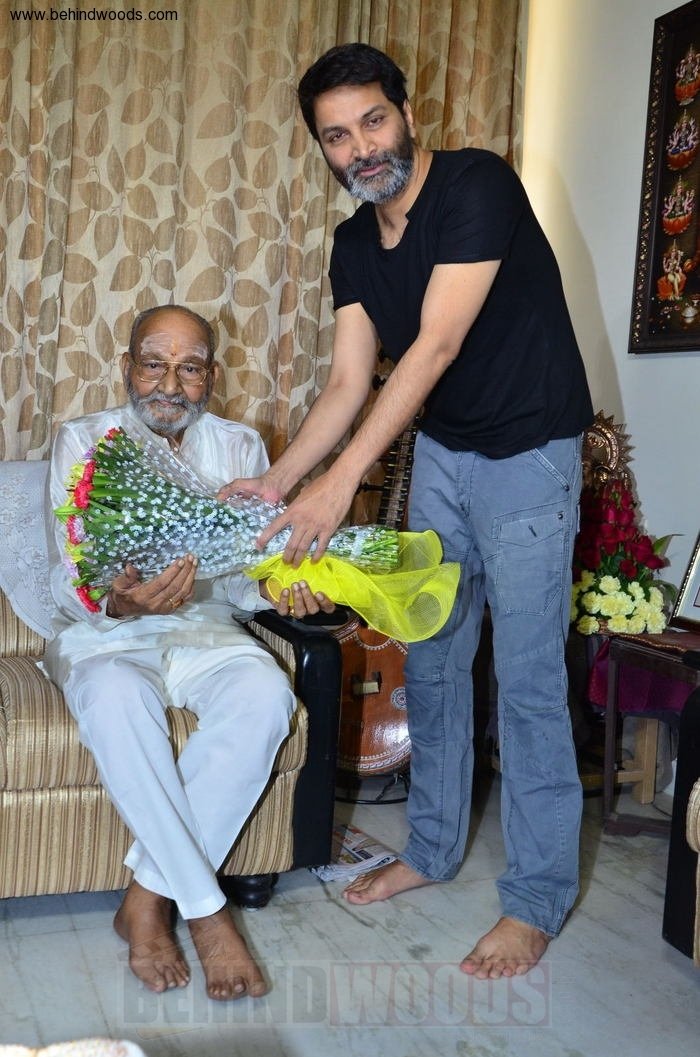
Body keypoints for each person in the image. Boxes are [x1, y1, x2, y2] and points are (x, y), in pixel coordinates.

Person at [219, 43, 594, 979]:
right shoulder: (353, 244)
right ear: (322, 147)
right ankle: (431, 848)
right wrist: (281, 479)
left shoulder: (477, 186)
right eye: (337, 137)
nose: (361, 149)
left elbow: (433, 347)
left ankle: (536, 899)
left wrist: (341, 481)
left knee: (527, 678)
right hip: (446, 454)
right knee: (431, 658)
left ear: (407, 113)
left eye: (373, 121)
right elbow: (349, 382)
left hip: (531, 450)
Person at [44, 304, 334, 1000]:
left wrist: (282, 588)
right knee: (114, 694)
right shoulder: (84, 439)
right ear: (127, 367)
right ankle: (207, 914)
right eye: (154, 363)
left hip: (206, 629)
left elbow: (244, 578)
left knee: (266, 696)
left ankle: (146, 897)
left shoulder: (239, 446)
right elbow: (64, 571)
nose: (170, 384)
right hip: (109, 632)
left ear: (211, 377)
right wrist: (119, 602)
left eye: (190, 368)